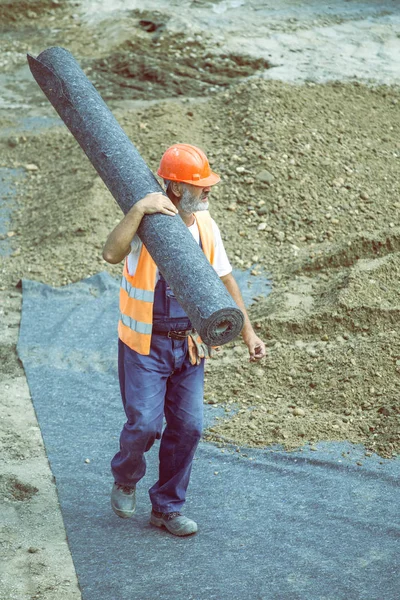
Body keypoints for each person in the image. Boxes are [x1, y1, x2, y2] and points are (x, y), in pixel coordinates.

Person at [103, 143, 265, 536]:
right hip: (146, 343)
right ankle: (126, 477)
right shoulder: (148, 224)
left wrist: (248, 330)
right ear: (175, 187)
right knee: (143, 423)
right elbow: (110, 253)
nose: (209, 190)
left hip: (190, 345)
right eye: (201, 184)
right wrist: (139, 209)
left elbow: (225, 279)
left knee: (189, 426)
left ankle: (167, 507)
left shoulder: (207, 226)